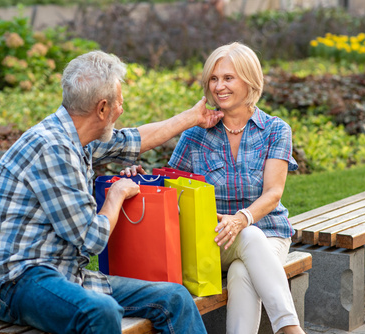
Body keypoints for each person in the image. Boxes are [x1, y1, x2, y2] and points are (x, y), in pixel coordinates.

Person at [0, 50, 223, 334]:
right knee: (101, 311)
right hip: (19, 281)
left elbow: (135, 140)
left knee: (175, 298)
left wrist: (193, 117)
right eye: (119, 102)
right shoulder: (53, 149)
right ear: (102, 108)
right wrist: (116, 194)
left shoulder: (78, 137)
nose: (122, 108)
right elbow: (91, 239)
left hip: (67, 274)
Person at [123, 42, 305, 334]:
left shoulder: (275, 130)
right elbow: (172, 189)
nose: (219, 86)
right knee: (247, 241)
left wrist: (241, 218)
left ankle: (287, 328)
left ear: (250, 80)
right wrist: (141, 179)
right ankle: (290, 329)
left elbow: (273, 193)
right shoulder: (196, 133)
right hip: (210, 239)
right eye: (214, 78)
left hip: (268, 233)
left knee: (242, 267)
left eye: (228, 78)